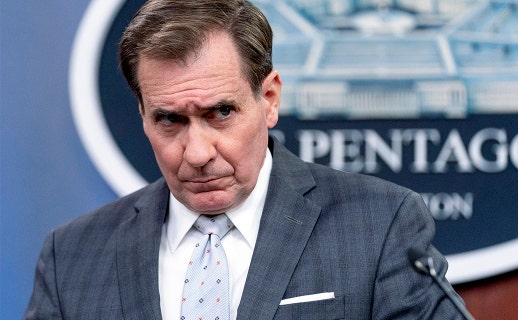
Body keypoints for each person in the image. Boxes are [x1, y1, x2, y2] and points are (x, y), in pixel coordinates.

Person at [25, 0, 468, 319]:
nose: (197, 154)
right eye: (170, 120)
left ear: (269, 98)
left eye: (220, 113)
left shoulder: (377, 226)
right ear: (142, 115)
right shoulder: (73, 257)